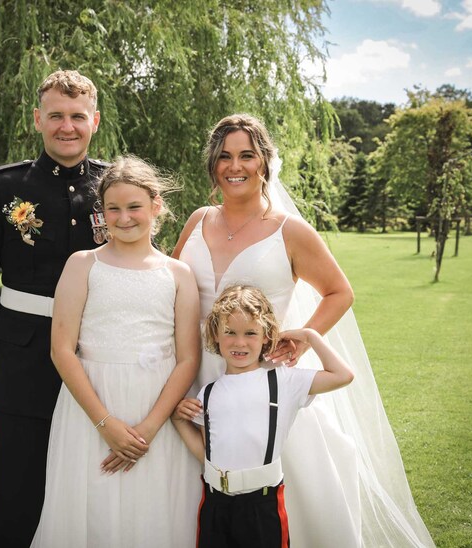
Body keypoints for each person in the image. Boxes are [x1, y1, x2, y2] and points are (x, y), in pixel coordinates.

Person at [172, 114, 435, 547]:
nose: (234, 166)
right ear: (213, 164)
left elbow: (338, 292)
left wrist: (300, 336)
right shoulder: (198, 220)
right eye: (224, 156)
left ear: (265, 162)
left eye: (246, 155)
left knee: (285, 501)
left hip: (263, 382)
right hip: (197, 376)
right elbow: (173, 287)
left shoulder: (289, 231)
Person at [0, 69, 107, 546]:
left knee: (95, 485)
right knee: (17, 494)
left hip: (100, 357)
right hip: (25, 363)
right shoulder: (3, 189)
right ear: (37, 119)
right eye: (56, 115)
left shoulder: (114, 185)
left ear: (94, 121)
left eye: (77, 116)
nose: (67, 126)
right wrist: (7, 344)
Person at [31, 155, 203, 548]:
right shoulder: (82, 264)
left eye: (134, 207)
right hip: (92, 406)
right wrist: (105, 423)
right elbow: (62, 350)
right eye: (113, 208)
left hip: (156, 410)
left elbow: (188, 358)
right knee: (95, 505)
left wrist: (148, 427)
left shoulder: (178, 274)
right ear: (102, 211)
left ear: (156, 205)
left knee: (156, 509)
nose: (124, 217)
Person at [172, 284, 354, 548]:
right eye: (229, 332)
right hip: (215, 505)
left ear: (267, 335)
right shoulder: (208, 393)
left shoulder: (283, 382)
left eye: (250, 333)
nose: (239, 342)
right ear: (216, 334)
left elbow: (343, 375)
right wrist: (179, 421)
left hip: (262, 505)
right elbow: (206, 454)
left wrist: (310, 336)